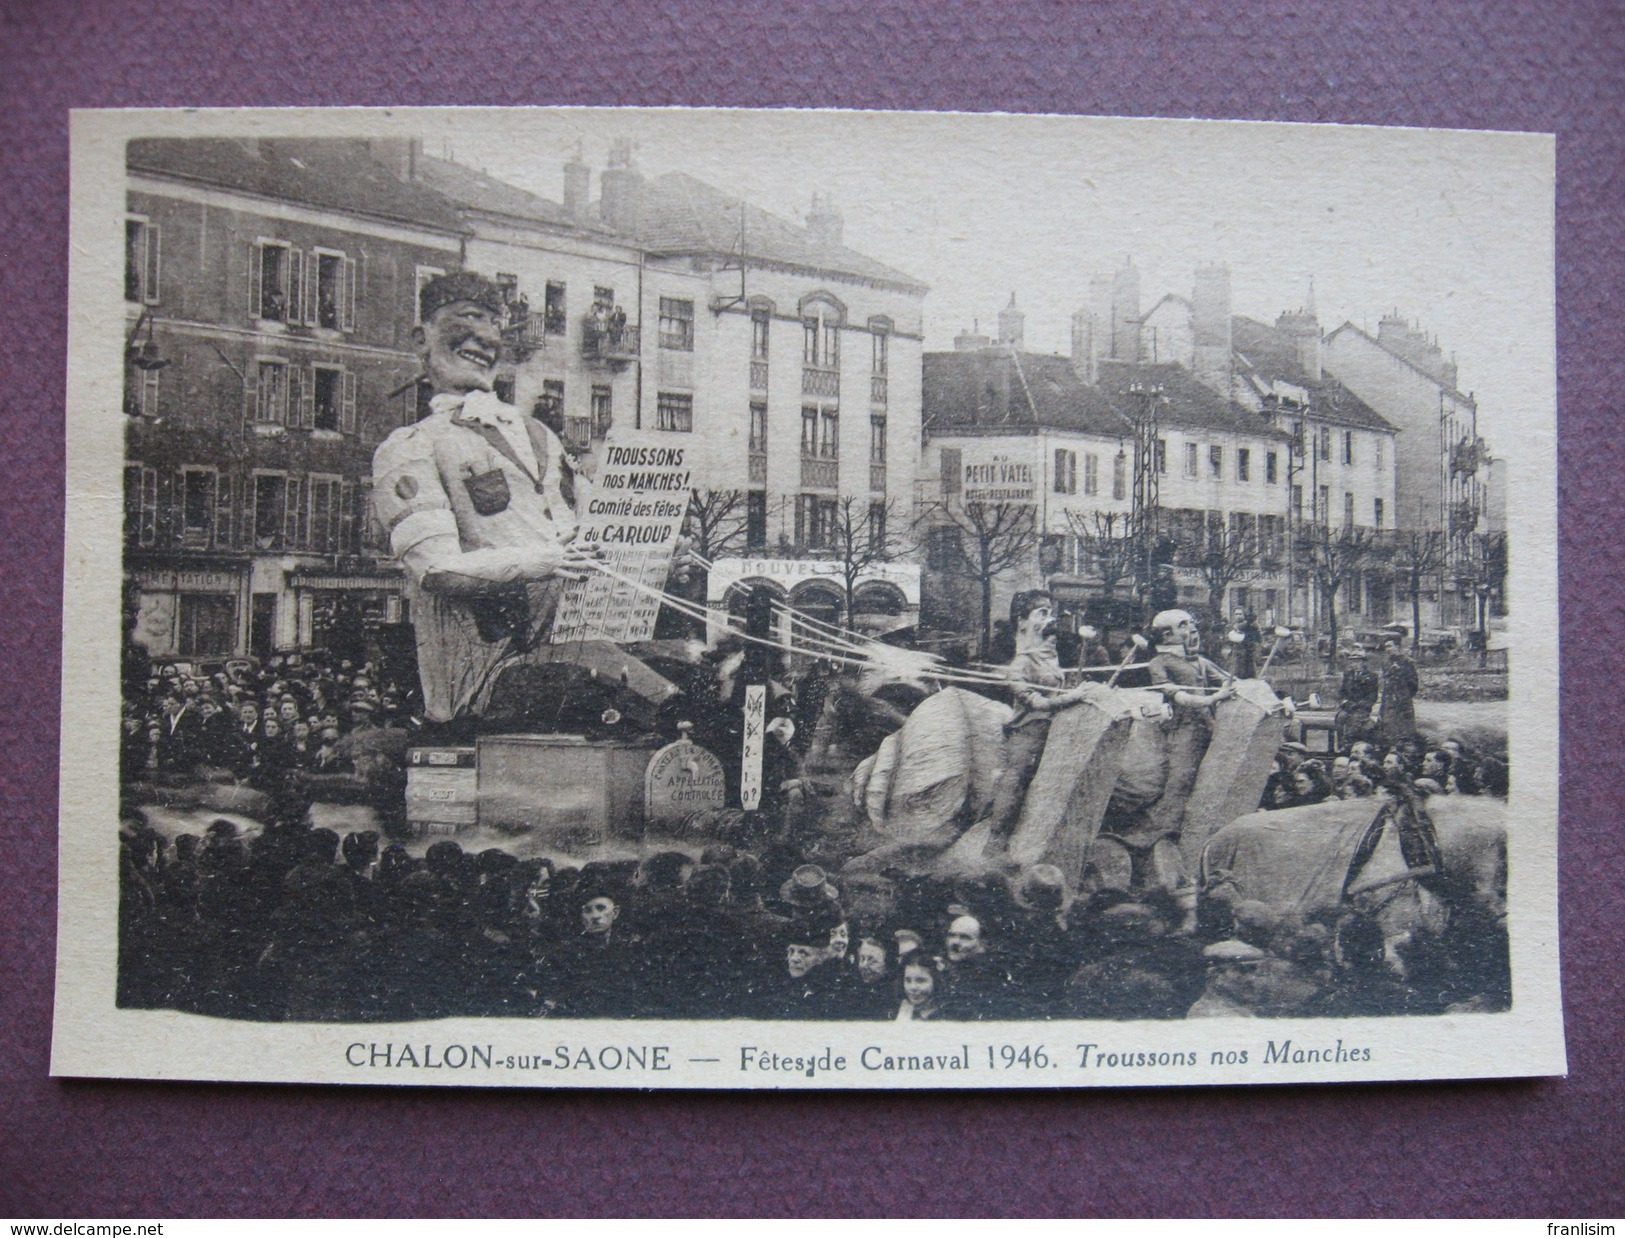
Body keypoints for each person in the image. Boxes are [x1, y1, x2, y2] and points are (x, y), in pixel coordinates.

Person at [370, 270, 681, 731]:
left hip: (568, 650)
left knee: (687, 684)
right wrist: (545, 561)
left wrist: (658, 551)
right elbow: (435, 568)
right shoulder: (412, 445)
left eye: (495, 323)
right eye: (468, 318)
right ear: (422, 338)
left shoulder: (540, 436)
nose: (485, 336)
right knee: (658, 703)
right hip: (486, 679)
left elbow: (591, 537)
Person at [981, 590, 1113, 861]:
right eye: (1042, 613)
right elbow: (1035, 702)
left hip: (1053, 731)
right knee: (1016, 778)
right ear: (1022, 622)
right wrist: (1070, 697)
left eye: (1050, 612)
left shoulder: (1049, 658)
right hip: (1029, 729)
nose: (1050, 619)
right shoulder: (1022, 662)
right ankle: (996, 841)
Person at [1373, 639, 1419, 743]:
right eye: (1386, 647)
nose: (1388, 649)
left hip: (1403, 699)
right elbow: (1386, 682)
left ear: (1397, 646)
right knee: (1387, 724)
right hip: (1388, 698)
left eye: (1390, 646)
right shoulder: (1385, 663)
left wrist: (1404, 694)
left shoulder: (1407, 662)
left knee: (1405, 727)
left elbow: (1413, 683)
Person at [1334, 648, 1381, 747]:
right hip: (1348, 707)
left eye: (1357, 661)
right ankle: (1340, 745)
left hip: (1362, 709)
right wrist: (1344, 702)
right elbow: (1342, 693)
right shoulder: (1348, 675)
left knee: (1354, 721)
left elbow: (1372, 697)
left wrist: (1359, 705)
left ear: (1363, 663)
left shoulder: (1371, 677)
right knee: (1340, 718)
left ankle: (1350, 745)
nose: (1354, 664)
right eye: (1353, 661)